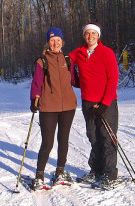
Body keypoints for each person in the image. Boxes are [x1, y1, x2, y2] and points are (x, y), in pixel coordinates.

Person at [69, 23, 119, 186]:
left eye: (93, 33)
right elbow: (63, 60)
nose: (90, 36)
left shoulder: (107, 53)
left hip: (107, 102)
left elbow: (113, 79)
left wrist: (104, 104)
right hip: (88, 101)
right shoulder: (79, 52)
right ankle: (96, 170)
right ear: (84, 36)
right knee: (93, 135)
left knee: (107, 137)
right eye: (87, 34)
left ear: (98, 36)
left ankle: (110, 175)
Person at [30, 27, 78, 190]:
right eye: (52, 40)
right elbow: (36, 83)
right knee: (48, 142)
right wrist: (34, 100)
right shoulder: (41, 61)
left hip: (68, 106)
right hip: (49, 107)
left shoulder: (67, 59)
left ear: (62, 41)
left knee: (63, 140)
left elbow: (75, 80)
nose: (55, 43)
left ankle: (60, 172)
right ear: (48, 43)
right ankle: (39, 176)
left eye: (58, 40)